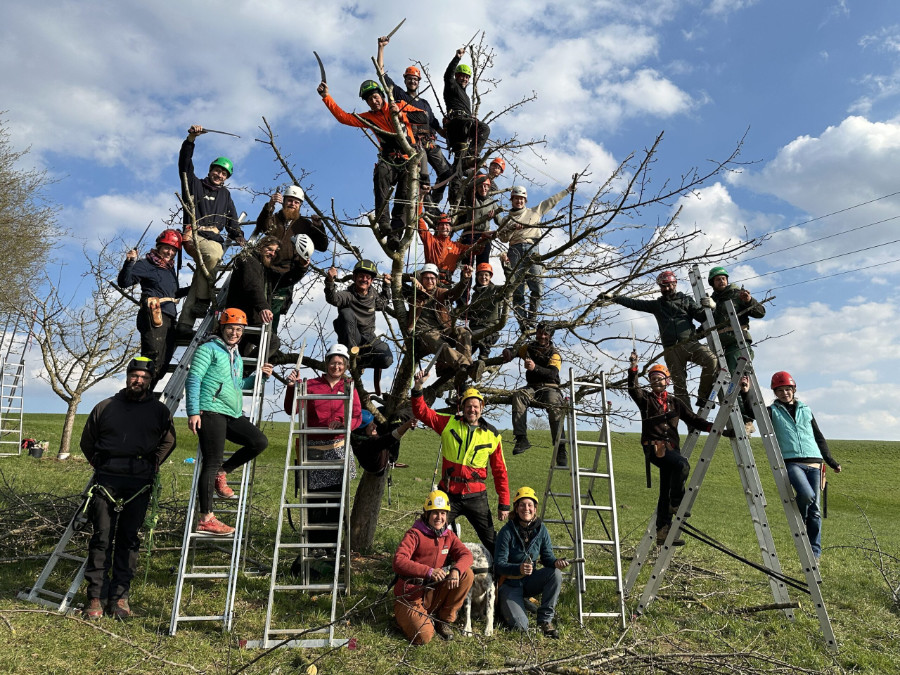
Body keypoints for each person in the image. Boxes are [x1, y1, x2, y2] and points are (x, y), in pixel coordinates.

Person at [79, 357, 176, 619]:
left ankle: (120, 597)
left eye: (144, 378)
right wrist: (101, 464)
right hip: (107, 480)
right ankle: (96, 597)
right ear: (127, 376)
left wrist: (153, 464)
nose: (138, 380)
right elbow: (87, 441)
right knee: (101, 538)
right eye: (134, 375)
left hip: (139, 482)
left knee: (129, 539)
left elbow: (169, 442)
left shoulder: (159, 411)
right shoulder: (105, 406)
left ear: (150, 381)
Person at [627, 350, 729, 545]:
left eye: (659, 378)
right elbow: (633, 388)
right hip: (654, 448)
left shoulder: (675, 402)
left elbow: (693, 419)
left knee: (665, 489)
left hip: (672, 449)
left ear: (667, 381)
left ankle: (663, 532)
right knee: (682, 465)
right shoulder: (646, 400)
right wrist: (633, 367)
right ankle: (676, 502)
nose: (656, 381)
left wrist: (714, 428)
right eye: (653, 379)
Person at [186, 308, 272, 536]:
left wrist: (260, 377)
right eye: (231, 328)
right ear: (221, 328)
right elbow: (193, 378)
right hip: (210, 410)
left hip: (231, 412)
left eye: (239, 329)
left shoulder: (236, 355)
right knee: (211, 461)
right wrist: (193, 411)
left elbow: (239, 385)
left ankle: (222, 472)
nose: (235, 333)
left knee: (259, 442)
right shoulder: (208, 349)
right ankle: (206, 519)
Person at [744, 372, 842, 559]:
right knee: (807, 495)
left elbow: (818, 437)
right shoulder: (772, 411)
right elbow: (752, 413)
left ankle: (815, 553)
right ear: (775, 393)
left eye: (787, 389)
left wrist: (831, 462)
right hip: (791, 462)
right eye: (779, 390)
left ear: (794, 389)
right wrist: (746, 392)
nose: (784, 393)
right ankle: (800, 519)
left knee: (815, 512)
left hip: (815, 462)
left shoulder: (806, 409)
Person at [318, 80, 425, 249]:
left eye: (375, 97)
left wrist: (401, 114)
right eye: (369, 100)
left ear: (382, 96)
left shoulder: (399, 105)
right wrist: (326, 97)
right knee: (381, 177)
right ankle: (384, 224)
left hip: (407, 161)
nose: (374, 102)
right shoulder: (369, 118)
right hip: (389, 160)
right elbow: (344, 117)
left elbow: (423, 117)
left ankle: (395, 236)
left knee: (403, 199)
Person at [411, 376, 510, 555]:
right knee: (429, 532)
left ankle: (504, 571)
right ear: (462, 408)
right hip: (449, 493)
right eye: (468, 406)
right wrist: (418, 388)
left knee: (491, 541)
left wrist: (504, 503)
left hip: (476, 496)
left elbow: (500, 471)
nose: (472, 410)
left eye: (476, 406)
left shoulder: (493, 435)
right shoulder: (448, 423)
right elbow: (422, 412)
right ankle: (419, 566)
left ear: (482, 408)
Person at [283, 344, 362, 554]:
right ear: (326, 363)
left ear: (346, 366)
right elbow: (291, 409)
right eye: (333, 362)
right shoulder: (311, 385)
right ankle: (315, 546)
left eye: (340, 363)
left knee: (336, 500)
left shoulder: (349, 386)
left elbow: (356, 416)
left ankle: (333, 547)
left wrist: (343, 424)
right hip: (314, 449)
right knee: (315, 499)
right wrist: (291, 387)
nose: (336, 367)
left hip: (338, 449)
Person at [604, 271, 719, 408]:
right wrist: (614, 298)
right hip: (671, 350)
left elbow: (701, 317)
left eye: (669, 285)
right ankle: (688, 418)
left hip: (689, 343)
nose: (667, 288)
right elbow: (635, 303)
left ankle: (703, 397)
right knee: (679, 386)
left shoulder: (686, 300)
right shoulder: (658, 305)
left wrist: (712, 307)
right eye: (663, 286)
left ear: (675, 284)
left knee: (711, 360)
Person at [177, 124, 245, 334]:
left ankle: (184, 324)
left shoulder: (226, 195)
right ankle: (203, 300)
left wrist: (239, 237)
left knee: (203, 272)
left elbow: (232, 220)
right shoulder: (195, 185)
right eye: (217, 170)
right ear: (210, 170)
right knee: (214, 255)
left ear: (227, 177)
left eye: (224, 173)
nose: (219, 174)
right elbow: (184, 165)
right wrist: (191, 140)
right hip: (195, 235)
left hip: (213, 238)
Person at [377, 36, 452, 206]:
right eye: (409, 78)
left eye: (415, 79)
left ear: (418, 82)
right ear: (405, 80)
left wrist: (450, 134)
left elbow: (436, 126)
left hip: (429, 142)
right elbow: (381, 73)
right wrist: (381, 48)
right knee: (423, 179)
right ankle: (427, 205)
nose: (412, 81)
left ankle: (433, 201)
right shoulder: (399, 94)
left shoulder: (425, 104)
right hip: (415, 143)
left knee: (447, 172)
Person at [392, 490, 474, 644]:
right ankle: (405, 618)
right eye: (435, 513)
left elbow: (467, 555)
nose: (439, 517)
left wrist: (456, 570)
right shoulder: (414, 534)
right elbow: (398, 561)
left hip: (434, 592)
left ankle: (443, 620)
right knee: (423, 637)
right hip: (411, 596)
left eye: (443, 513)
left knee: (466, 574)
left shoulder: (448, 536)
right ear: (427, 514)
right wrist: (428, 571)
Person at [496, 182, 575, 331]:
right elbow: (503, 238)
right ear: (512, 200)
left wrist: (567, 190)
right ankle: (523, 323)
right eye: (516, 198)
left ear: (525, 200)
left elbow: (551, 201)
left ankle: (531, 318)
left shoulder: (534, 212)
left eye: (521, 199)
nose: (519, 201)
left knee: (537, 286)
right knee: (517, 290)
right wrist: (512, 228)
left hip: (532, 249)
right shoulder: (507, 219)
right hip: (515, 250)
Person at [494, 487, 570, 638]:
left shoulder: (541, 530)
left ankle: (545, 621)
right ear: (516, 508)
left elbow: (547, 557)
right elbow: (499, 565)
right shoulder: (506, 532)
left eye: (530, 505)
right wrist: (518, 569)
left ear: (535, 509)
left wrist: (556, 562)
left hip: (530, 581)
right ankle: (509, 605)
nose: (526, 508)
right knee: (521, 627)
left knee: (555, 574)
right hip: (509, 584)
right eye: (522, 505)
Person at [117, 229, 188, 390]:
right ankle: (138, 392)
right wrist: (129, 262)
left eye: (173, 250)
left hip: (169, 317)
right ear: (159, 246)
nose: (170, 252)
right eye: (167, 248)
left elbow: (172, 294)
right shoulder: (146, 264)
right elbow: (124, 282)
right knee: (152, 357)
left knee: (163, 363)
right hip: (154, 314)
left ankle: (146, 393)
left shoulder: (169, 269)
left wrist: (192, 289)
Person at [253, 185, 328, 329]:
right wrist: (269, 206)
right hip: (265, 270)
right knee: (256, 308)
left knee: (273, 314)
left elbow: (322, 246)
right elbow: (262, 226)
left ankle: (270, 340)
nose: (292, 204)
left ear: (300, 205)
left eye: (296, 202)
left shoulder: (305, 225)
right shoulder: (274, 218)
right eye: (289, 200)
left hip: (286, 274)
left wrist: (319, 226)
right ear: (283, 201)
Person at [406, 263, 481, 396]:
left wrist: (464, 280)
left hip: (443, 330)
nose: (430, 281)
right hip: (425, 333)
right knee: (442, 345)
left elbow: (454, 293)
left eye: (432, 278)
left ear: (437, 280)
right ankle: (465, 365)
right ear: (421, 279)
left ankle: (467, 368)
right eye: (426, 278)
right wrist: (411, 279)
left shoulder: (440, 292)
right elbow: (396, 278)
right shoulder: (414, 294)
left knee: (463, 331)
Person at [324, 259, 393, 395]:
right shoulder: (348, 295)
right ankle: (352, 358)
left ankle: (361, 363)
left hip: (368, 338)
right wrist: (330, 281)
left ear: (372, 281)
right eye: (361, 276)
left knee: (387, 359)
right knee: (346, 313)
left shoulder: (373, 295)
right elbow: (333, 298)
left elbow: (382, 304)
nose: (364, 279)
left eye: (368, 277)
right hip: (351, 337)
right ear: (355, 277)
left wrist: (387, 285)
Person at [502, 323, 566, 465]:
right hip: (532, 387)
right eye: (540, 333)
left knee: (554, 404)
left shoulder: (554, 354)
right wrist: (508, 351)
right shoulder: (529, 348)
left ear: (550, 336)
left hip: (550, 387)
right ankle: (521, 439)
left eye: (545, 334)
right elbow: (515, 351)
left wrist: (535, 367)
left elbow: (552, 373)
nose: (542, 336)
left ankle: (560, 447)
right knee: (519, 395)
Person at [443, 48, 491, 182]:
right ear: (457, 76)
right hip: (457, 122)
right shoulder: (452, 86)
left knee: (459, 163)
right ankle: (470, 156)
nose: (464, 78)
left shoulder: (466, 96)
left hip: (463, 126)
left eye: (466, 77)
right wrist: (457, 57)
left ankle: (462, 168)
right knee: (484, 128)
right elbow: (447, 75)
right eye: (462, 76)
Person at [707, 266, 766, 373]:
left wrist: (749, 301)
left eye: (723, 278)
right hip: (719, 345)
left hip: (737, 341)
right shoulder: (712, 300)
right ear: (712, 283)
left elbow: (760, 313)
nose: (721, 281)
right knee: (720, 377)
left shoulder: (737, 295)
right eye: (718, 279)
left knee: (735, 375)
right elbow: (708, 323)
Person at [418, 212, 491, 286]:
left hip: (446, 283)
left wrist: (483, 238)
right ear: (437, 227)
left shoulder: (456, 246)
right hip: (430, 282)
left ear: (450, 228)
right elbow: (419, 219)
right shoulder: (430, 240)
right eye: (441, 225)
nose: (444, 227)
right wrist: (419, 206)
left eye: (447, 225)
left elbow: (475, 249)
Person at [350, 409, 416, 475]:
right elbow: (392, 437)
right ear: (362, 431)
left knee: (381, 411)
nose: (375, 426)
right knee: (398, 417)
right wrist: (407, 425)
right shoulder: (369, 444)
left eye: (373, 423)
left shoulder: (355, 436)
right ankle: (417, 412)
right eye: (371, 425)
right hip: (388, 456)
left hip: (374, 457)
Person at [456, 174, 499, 267]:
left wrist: (496, 213)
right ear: (476, 188)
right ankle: (465, 277)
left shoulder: (492, 203)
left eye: (485, 186)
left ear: (489, 187)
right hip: (469, 236)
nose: (483, 189)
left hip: (485, 237)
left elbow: (500, 221)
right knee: (467, 266)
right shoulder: (471, 199)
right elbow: (469, 188)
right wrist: (485, 177)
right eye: (480, 186)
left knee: (483, 266)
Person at [466, 262, 504, 360]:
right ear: (477, 277)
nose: (483, 277)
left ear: (490, 277)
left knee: (469, 341)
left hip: (489, 329)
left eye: (486, 275)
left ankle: (483, 355)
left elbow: (511, 285)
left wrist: (506, 266)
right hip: (474, 330)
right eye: (481, 275)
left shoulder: (496, 290)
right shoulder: (475, 294)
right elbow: (471, 313)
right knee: (464, 354)